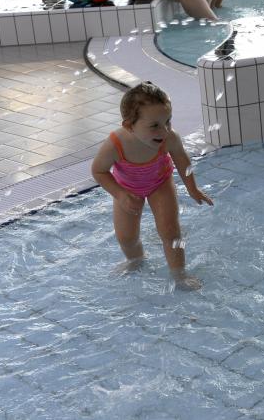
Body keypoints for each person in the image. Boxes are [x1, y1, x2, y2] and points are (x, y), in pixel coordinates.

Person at [90, 82, 214, 289]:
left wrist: (192, 188)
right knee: (126, 238)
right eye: (154, 125)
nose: (164, 130)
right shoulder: (115, 144)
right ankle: (135, 260)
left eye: (168, 121)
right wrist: (120, 195)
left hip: (160, 183)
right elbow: (98, 171)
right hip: (127, 189)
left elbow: (183, 161)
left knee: (171, 232)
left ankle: (179, 274)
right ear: (129, 126)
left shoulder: (169, 139)